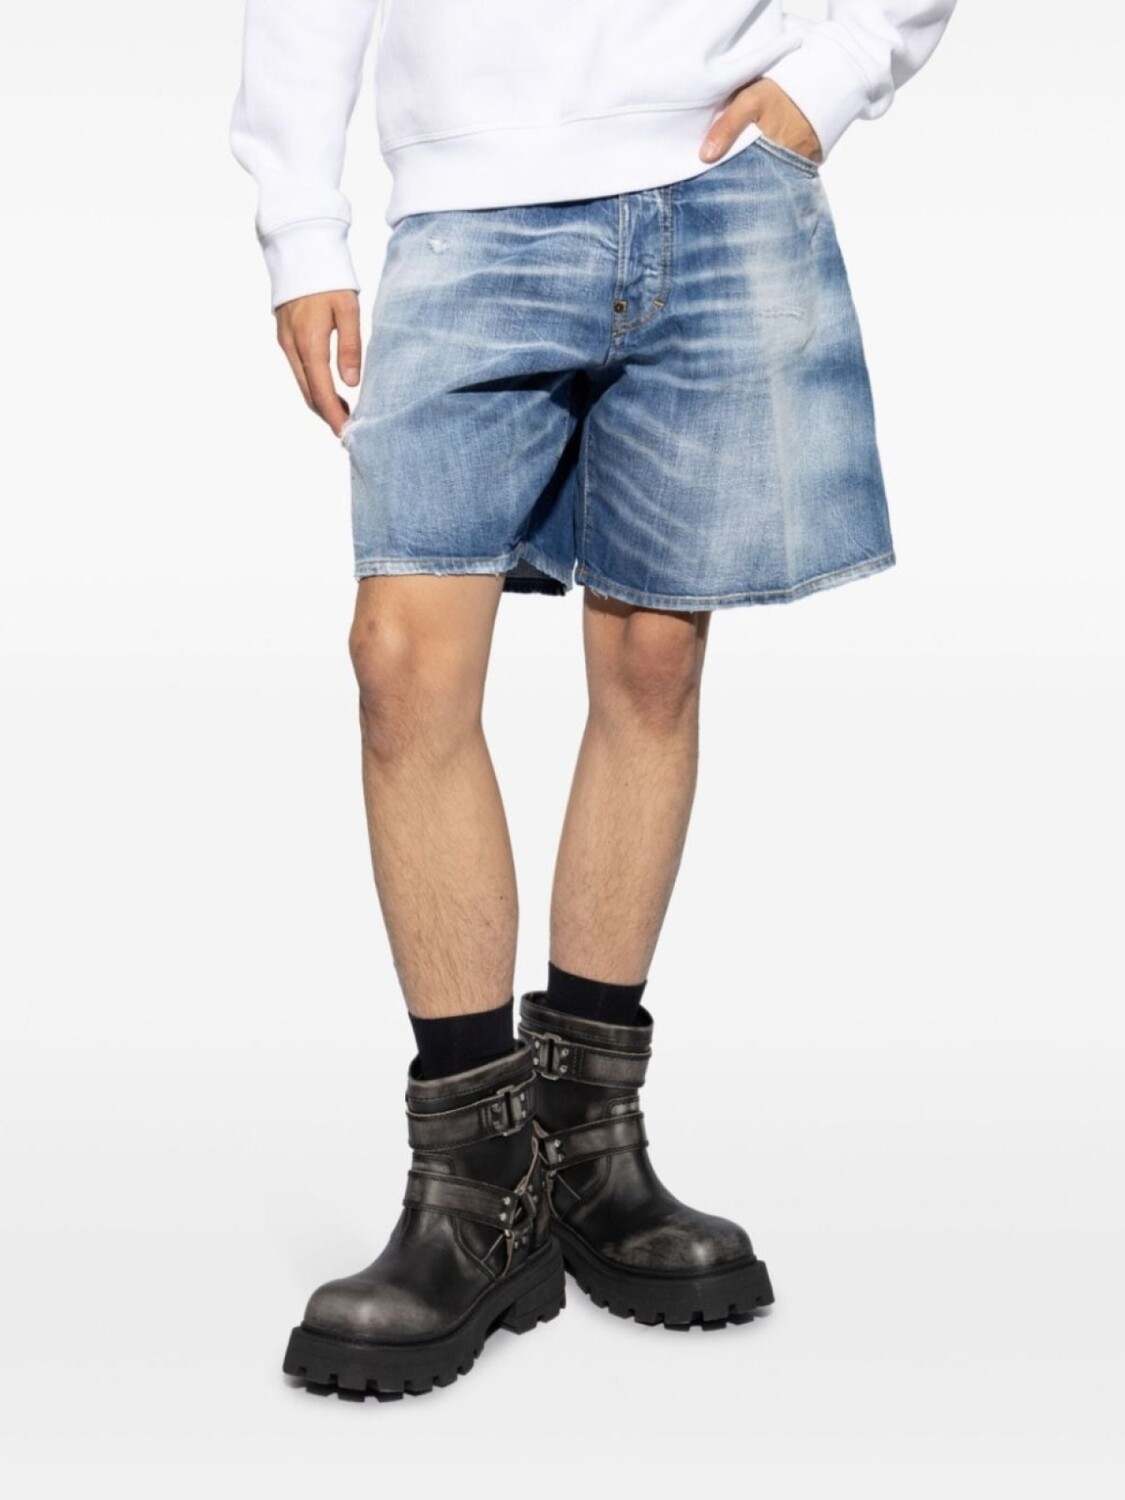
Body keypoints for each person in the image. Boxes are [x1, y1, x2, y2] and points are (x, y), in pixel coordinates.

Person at [232, 0, 957, 1399]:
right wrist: (300, 222)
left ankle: (586, 1142)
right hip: (467, 209)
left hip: (716, 187)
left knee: (651, 661)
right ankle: (471, 1186)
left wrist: (842, 65)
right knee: (402, 659)